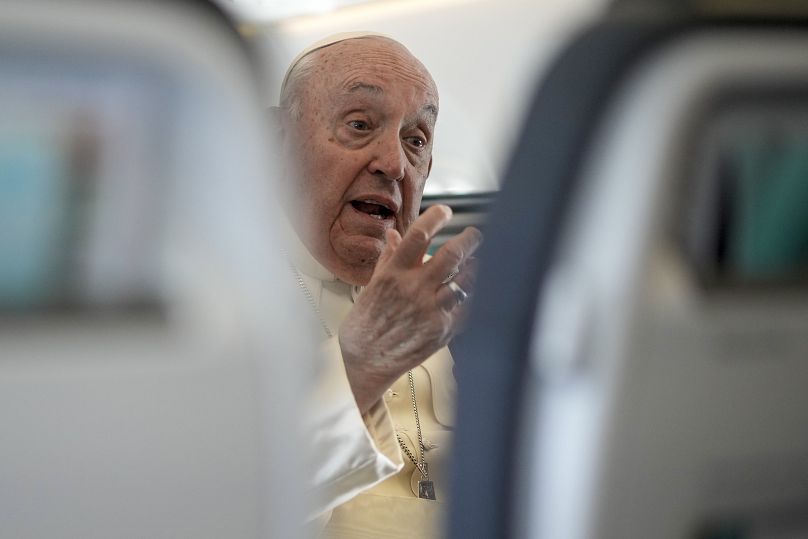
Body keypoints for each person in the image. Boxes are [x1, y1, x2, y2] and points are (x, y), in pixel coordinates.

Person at [273, 32, 481, 538]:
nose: (393, 163)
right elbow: (222, 503)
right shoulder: (216, 301)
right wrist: (362, 362)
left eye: (416, 141)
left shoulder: (446, 297)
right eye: (360, 125)